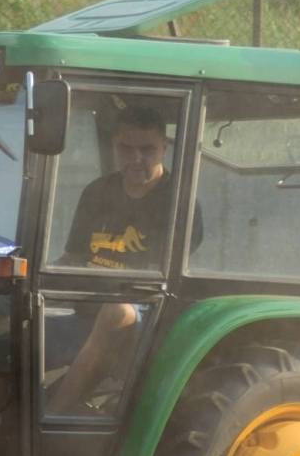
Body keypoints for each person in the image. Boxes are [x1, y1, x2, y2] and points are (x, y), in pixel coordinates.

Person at [49, 105, 201, 412]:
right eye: (126, 149)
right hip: (87, 311)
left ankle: (55, 414)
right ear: (114, 147)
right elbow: (73, 257)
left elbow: (156, 281)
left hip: (146, 318)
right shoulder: (97, 192)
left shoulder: (178, 202)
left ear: (164, 147)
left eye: (147, 150)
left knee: (116, 311)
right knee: (6, 307)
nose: (135, 159)